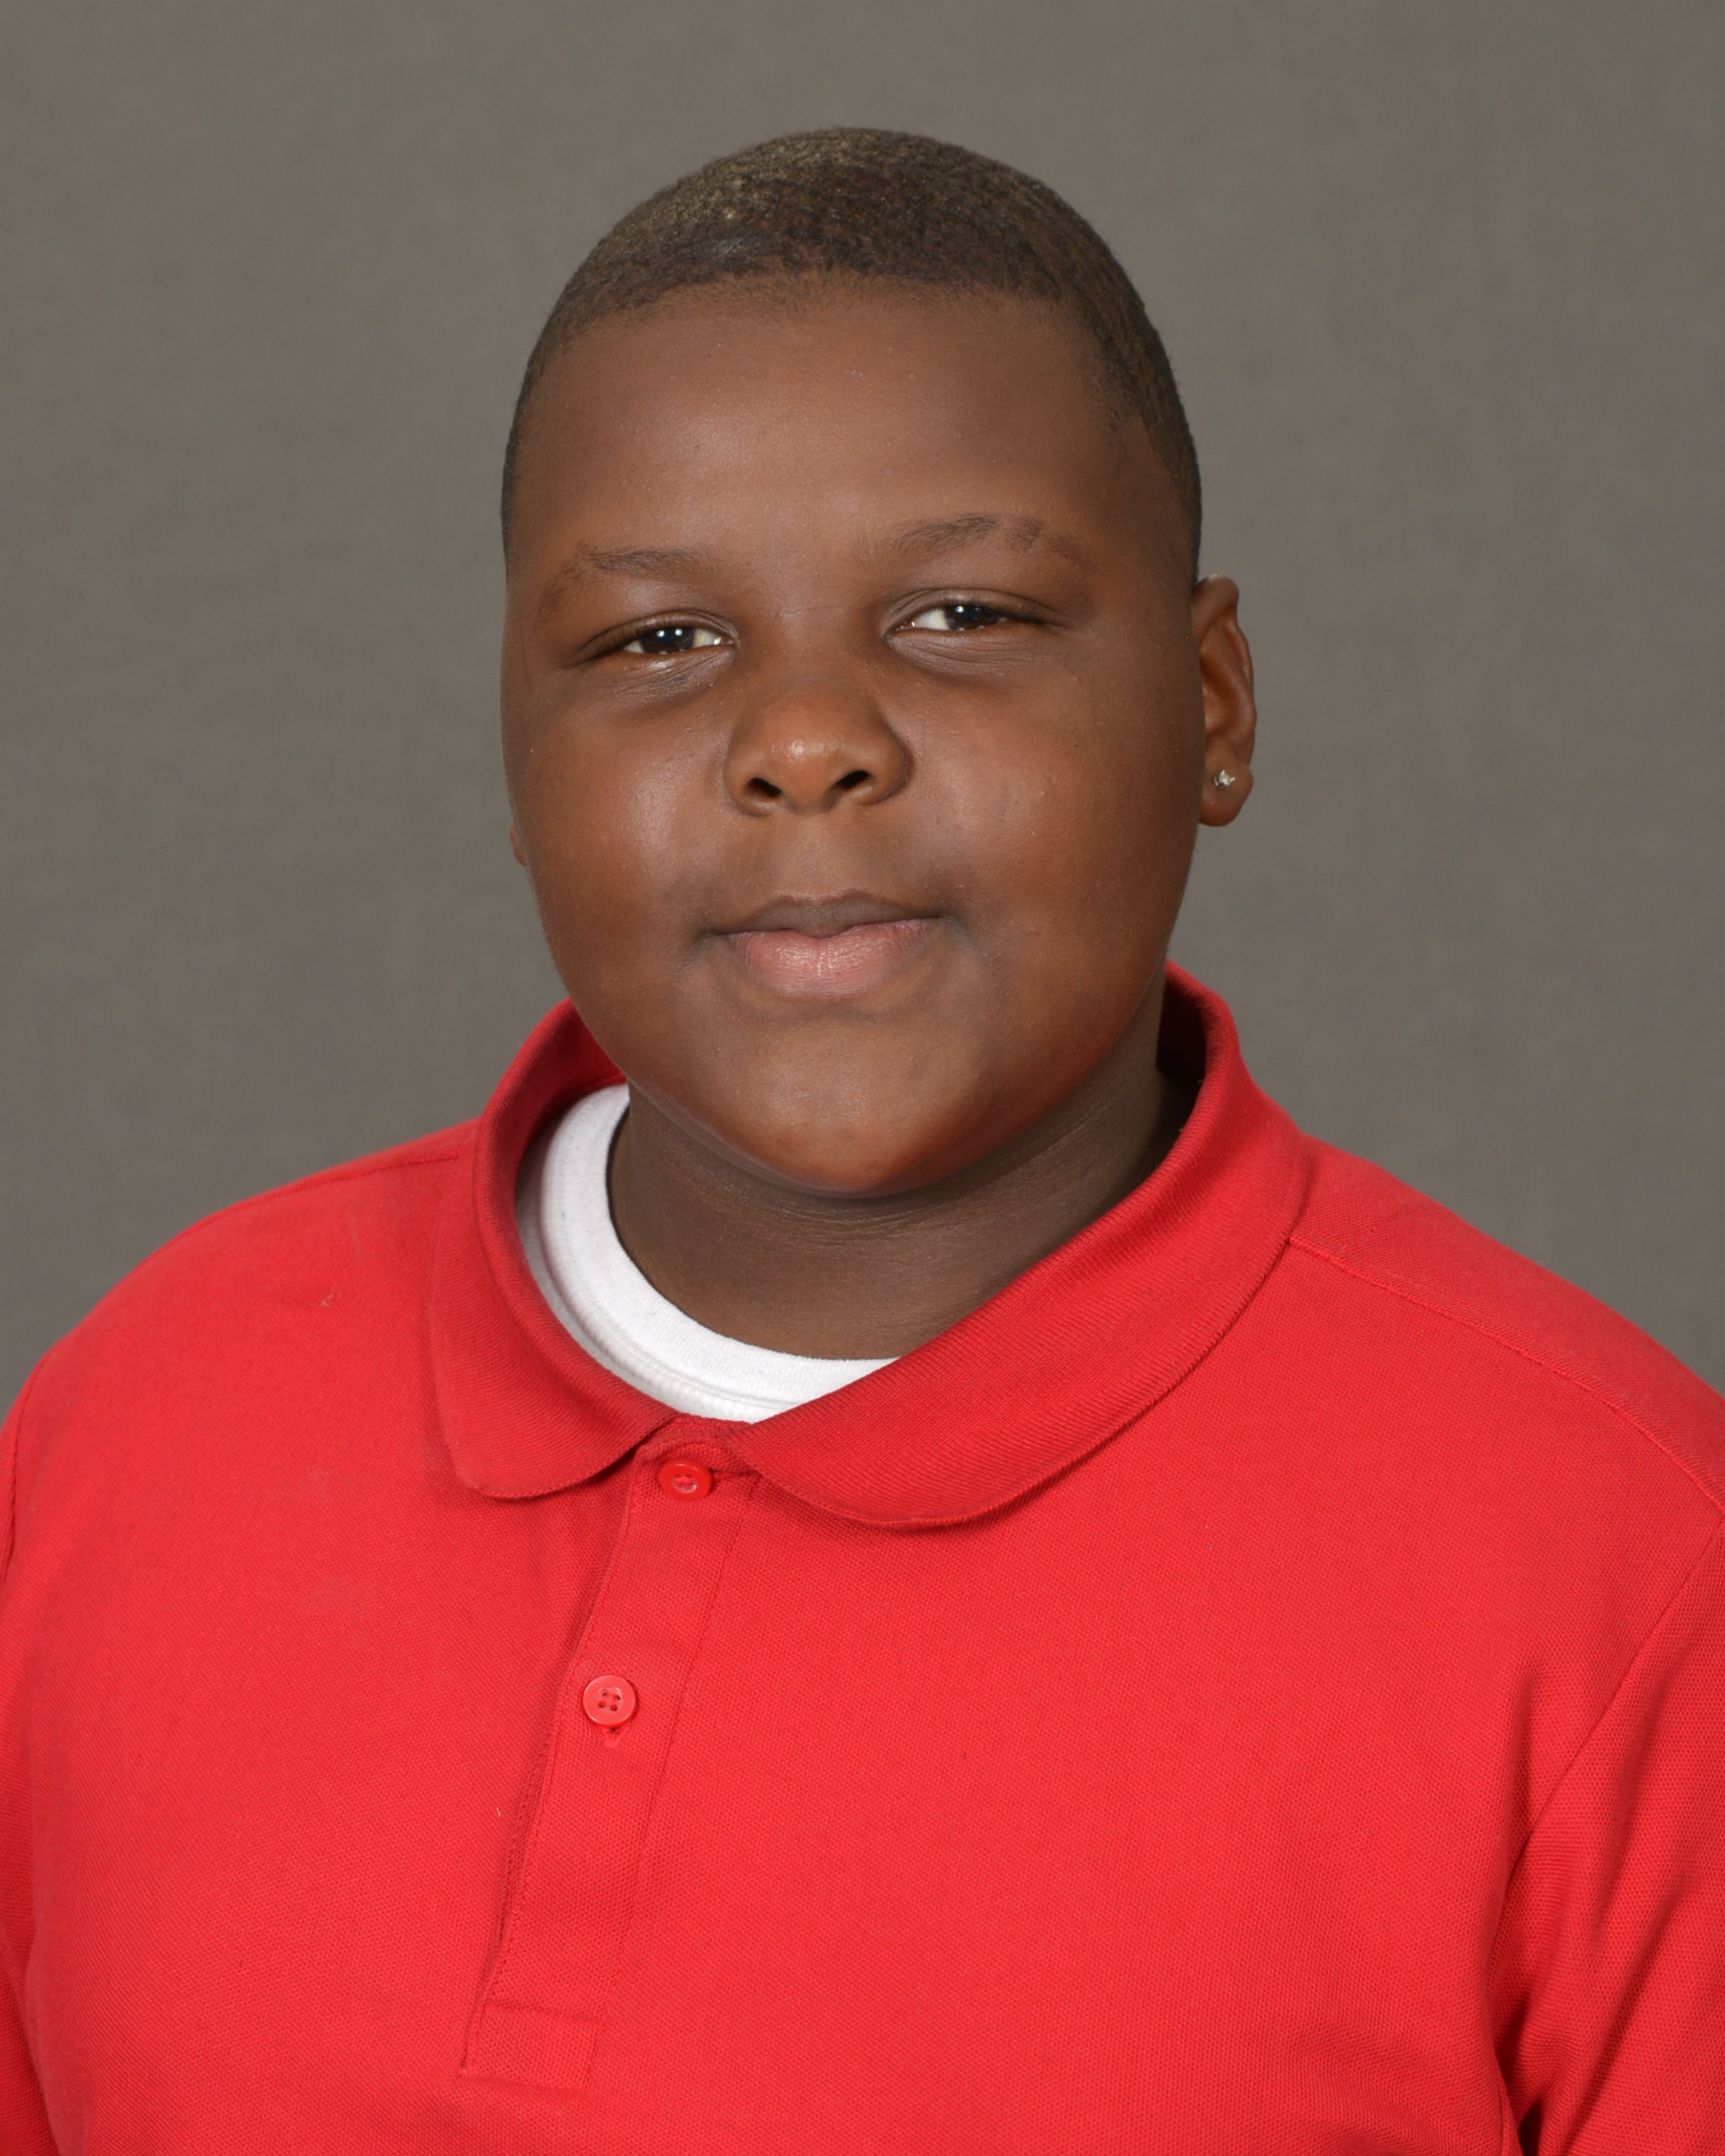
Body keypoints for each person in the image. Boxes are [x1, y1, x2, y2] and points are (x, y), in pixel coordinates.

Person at [1, 127, 1720, 2154]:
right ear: (513, 742)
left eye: (963, 612)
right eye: (658, 641)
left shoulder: (1619, 1565)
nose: (805, 741)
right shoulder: (139, 1415)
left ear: (1212, 701)